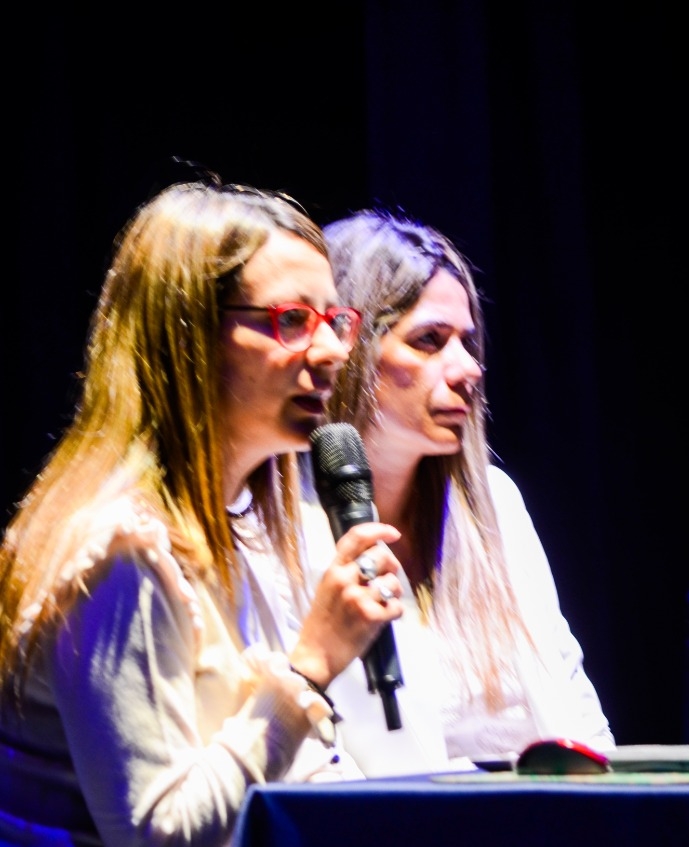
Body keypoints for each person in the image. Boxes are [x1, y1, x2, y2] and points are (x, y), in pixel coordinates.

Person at [0, 180, 407, 847]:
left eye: (335, 320)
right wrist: (307, 669)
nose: (334, 350)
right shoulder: (121, 552)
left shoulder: (239, 524)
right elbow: (157, 834)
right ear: (188, 337)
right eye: (292, 320)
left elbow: (299, 776)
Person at [313, 209, 613, 774]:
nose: (467, 368)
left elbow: (574, 703)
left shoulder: (493, 502)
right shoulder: (292, 525)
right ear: (349, 347)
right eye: (429, 340)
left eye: (468, 342)